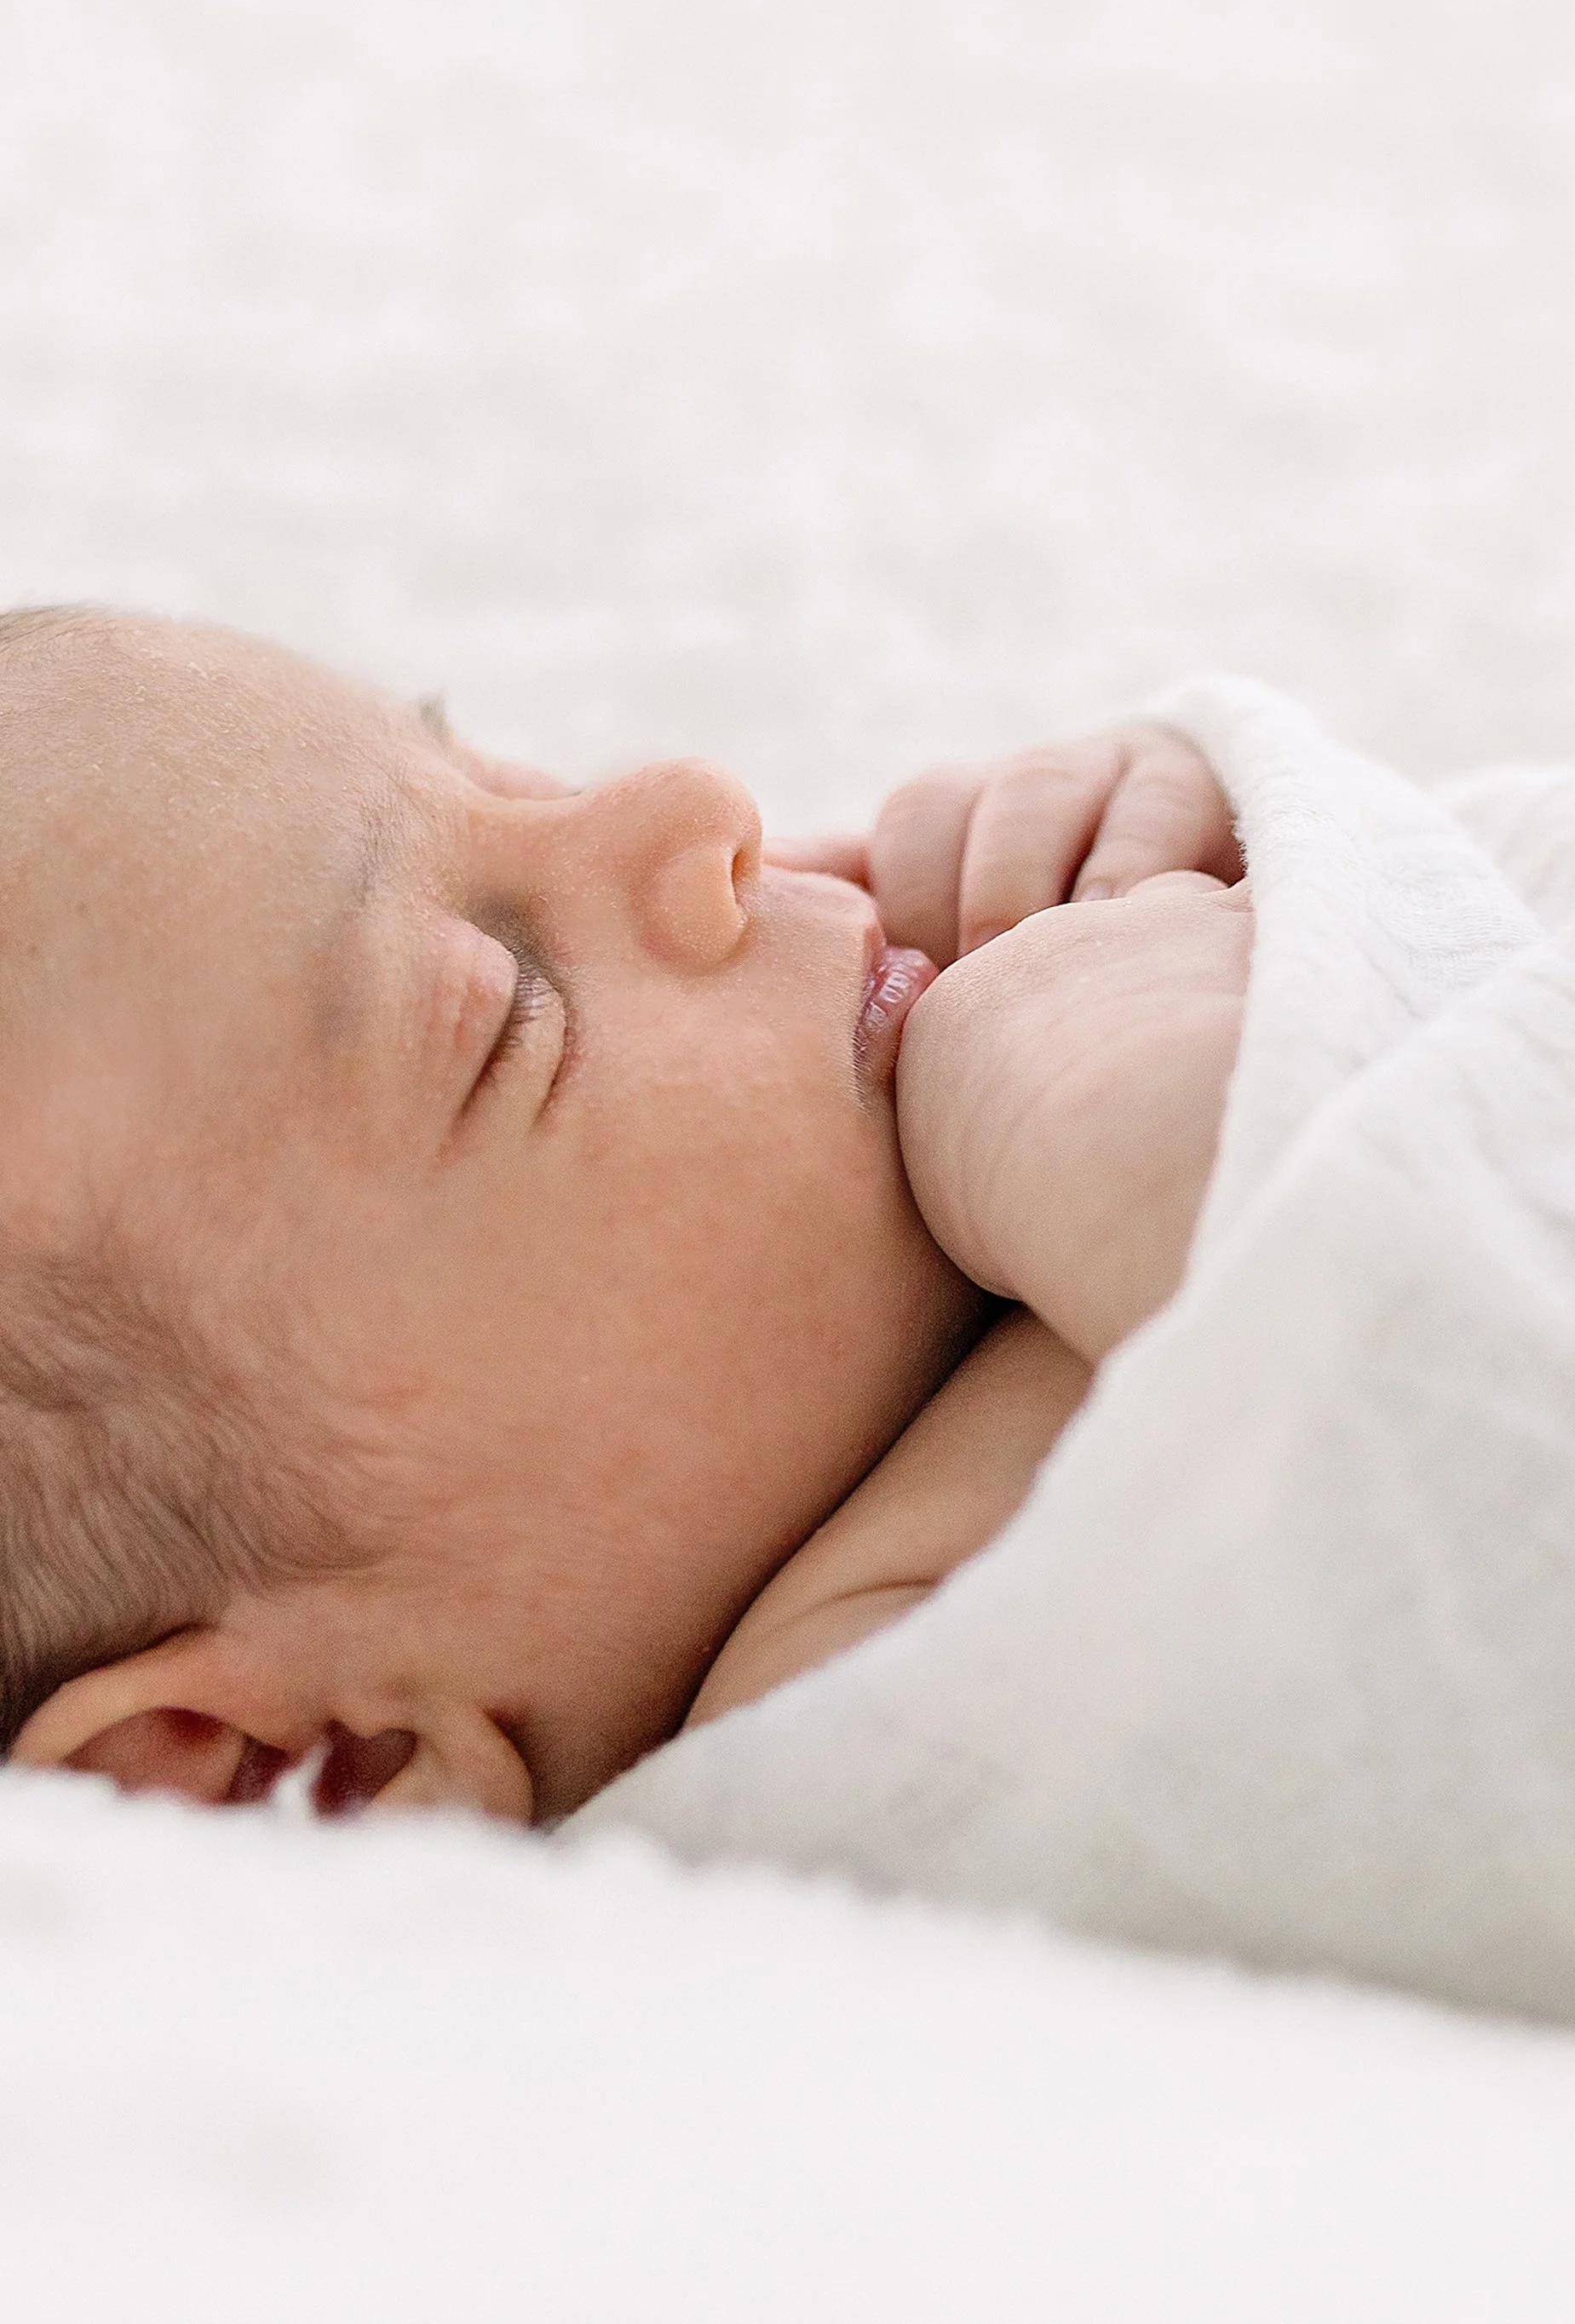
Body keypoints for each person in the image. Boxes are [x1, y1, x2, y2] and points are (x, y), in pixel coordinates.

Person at [1, 606, 1250, 1826]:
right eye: (506, 1014)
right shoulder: (884, 1795)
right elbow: (1423, 1442)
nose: (691, 799)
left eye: (502, 776)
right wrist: (1178, 1134)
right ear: (306, 1769)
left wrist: (1191, 819)